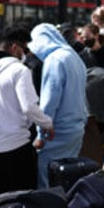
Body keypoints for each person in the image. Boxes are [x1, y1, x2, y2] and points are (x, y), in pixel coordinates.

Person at [0, 26, 55, 193]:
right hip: (16, 145)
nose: (26, 53)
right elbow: (29, 107)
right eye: (25, 48)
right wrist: (47, 124)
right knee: (24, 199)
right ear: (15, 48)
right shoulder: (19, 70)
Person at [28, 23, 88, 188]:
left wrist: (41, 133)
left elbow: (49, 101)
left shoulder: (54, 60)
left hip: (57, 132)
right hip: (75, 128)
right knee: (67, 178)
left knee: (48, 182)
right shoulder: (73, 56)